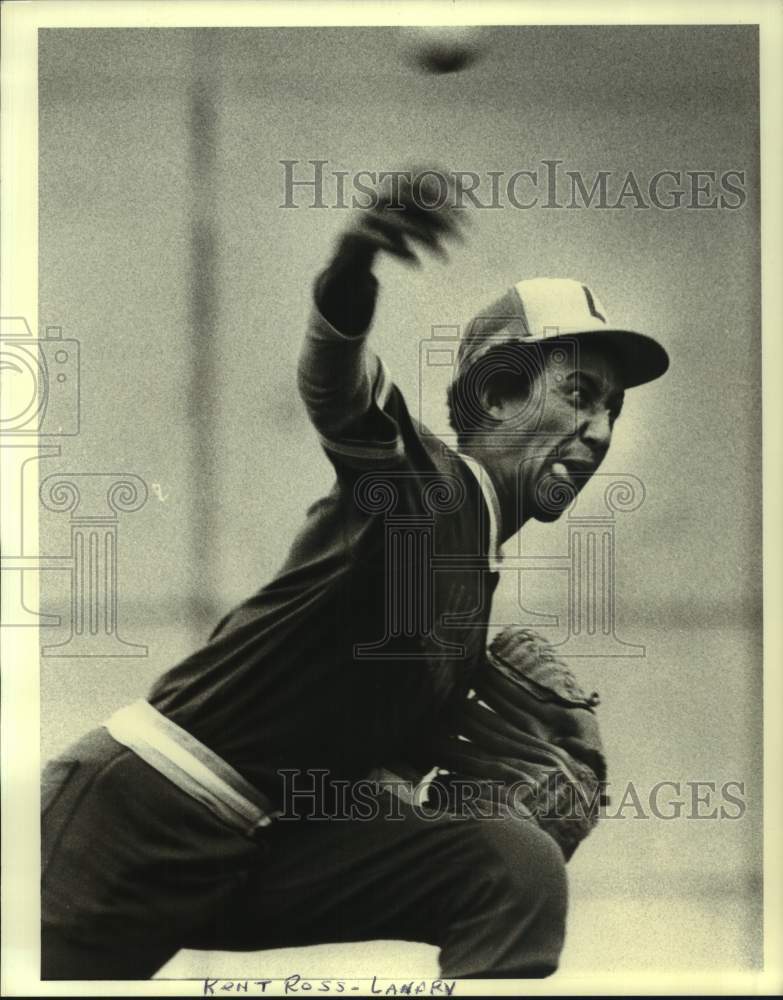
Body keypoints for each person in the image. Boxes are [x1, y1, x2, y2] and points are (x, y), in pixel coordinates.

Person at [41, 170, 669, 981]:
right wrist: (351, 270)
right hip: (131, 817)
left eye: (612, 409)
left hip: (254, 847)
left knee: (511, 864)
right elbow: (338, 394)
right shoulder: (426, 489)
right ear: (498, 393)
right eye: (579, 392)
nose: (598, 429)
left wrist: (473, 811)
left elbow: (369, 783)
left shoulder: (470, 585)